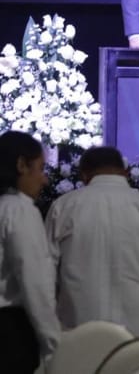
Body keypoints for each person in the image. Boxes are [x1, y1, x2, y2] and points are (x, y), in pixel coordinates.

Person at [44, 146, 139, 335]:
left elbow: (45, 271)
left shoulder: (63, 206)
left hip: (77, 328)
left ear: (83, 175)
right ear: (125, 172)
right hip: (136, 330)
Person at [0, 131, 58, 372]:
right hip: (9, 332)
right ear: (21, 165)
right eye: (41, 168)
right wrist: (54, 343)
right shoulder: (20, 210)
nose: (44, 180)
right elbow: (34, 281)